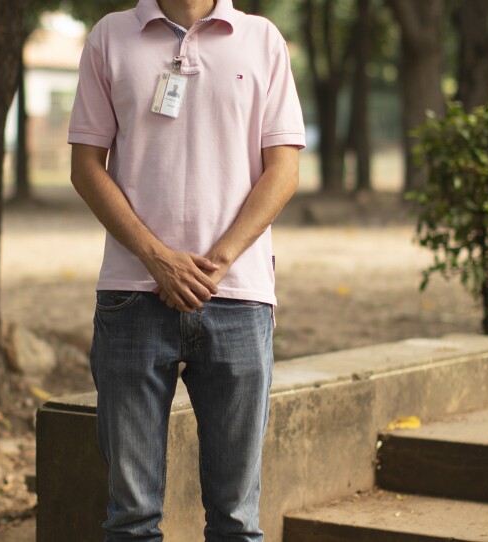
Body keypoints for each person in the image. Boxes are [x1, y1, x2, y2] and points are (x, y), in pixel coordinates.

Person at [68, 0, 304, 539]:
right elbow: (86, 166)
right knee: (131, 519)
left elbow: (284, 168)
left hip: (240, 297)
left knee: (237, 520)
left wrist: (217, 262)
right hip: (132, 295)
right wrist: (157, 258)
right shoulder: (110, 37)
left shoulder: (263, 39)